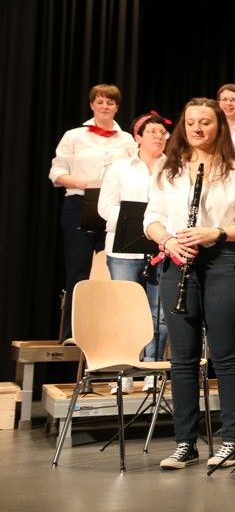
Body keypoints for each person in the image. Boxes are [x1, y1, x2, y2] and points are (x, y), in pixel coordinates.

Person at [145, 97, 235, 470]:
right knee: (182, 358)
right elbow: (152, 218)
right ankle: (185, 442)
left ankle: (230, 441)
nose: (197, 128)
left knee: (224, 354)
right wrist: (168, 241)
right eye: (191, 122)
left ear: (219, 126)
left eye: (205, 122)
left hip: (223, 259)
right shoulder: (169, 167)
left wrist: (217, 232)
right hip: (179, 259)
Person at [49, 83, 137, 339]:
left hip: (113, 207)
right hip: (81, 202)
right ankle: (74, 331)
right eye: (100, 102)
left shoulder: (127, 139)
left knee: (113, 267)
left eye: (110, 103)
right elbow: (56, 172)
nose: (105, 107)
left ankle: (110, 332)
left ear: (117, 107)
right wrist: (85, 184)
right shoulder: (74, 135)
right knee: (78, 269)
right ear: (92, 105)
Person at [97, 111, 169, 390]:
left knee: (159, 313)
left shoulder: (172, 167)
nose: (158, 137)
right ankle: (125, 373)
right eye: (151, 132)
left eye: (162, 133)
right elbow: (106, 207)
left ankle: (153, 371)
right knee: (125, 311)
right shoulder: (120, 167)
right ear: (138, 137)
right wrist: (143, 224)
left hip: (162, 248)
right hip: (125, 251)